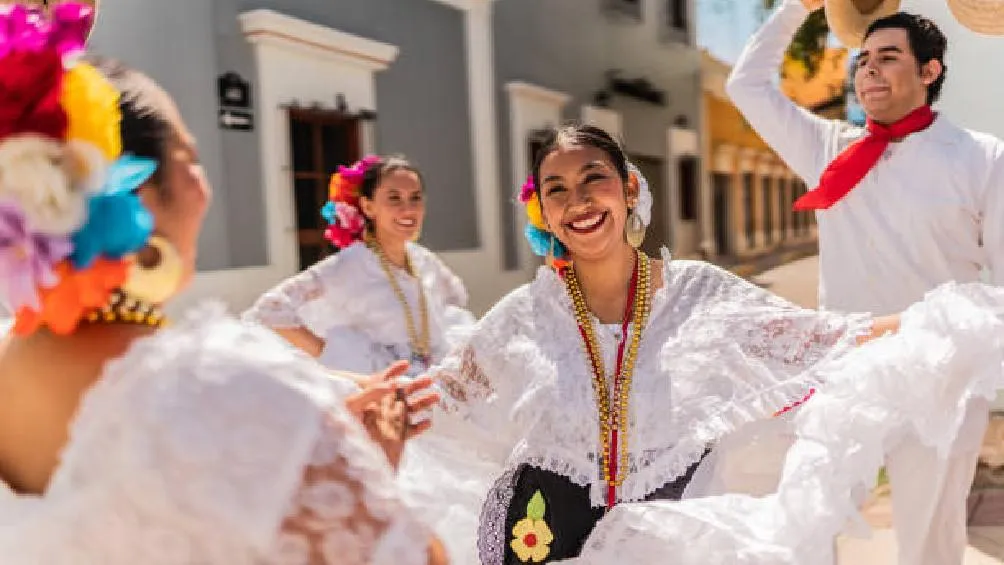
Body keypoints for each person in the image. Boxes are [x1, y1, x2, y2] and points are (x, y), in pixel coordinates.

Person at [0, 5, 443, 563]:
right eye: (191, 157)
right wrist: (367, 463)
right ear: (134, 198)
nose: (205, 190)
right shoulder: (220, 384)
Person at [395, 122, 905, 564]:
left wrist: (938, 323)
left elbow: (823, 341)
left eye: (594, 178)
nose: (579, 201)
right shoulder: (521, 318)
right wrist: (331, 391)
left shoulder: (699, 294)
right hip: (545, 537)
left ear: (629, 190)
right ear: (544, 215)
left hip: (668, 537)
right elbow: (437, 397)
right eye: (557, 189)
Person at [727, 1, 1004, 563]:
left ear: (930, 71)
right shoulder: (829, 149)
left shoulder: (981, 157)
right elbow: (747, 85)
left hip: (940, 375)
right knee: (810, 519)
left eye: (889, 57)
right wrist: (796, 10)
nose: (869, 69)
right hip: (845, 368)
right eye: (864, 58)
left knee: (931, 537)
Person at [244, 155, 474, 378]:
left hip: (432, 389)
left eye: (415, 198)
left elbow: (455, 300)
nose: (408, 209)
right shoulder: (350, 264)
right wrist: (334, 357)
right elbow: (270, 310)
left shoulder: (424, 260)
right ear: (368, 206)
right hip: (382, 397)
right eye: (394, 198)